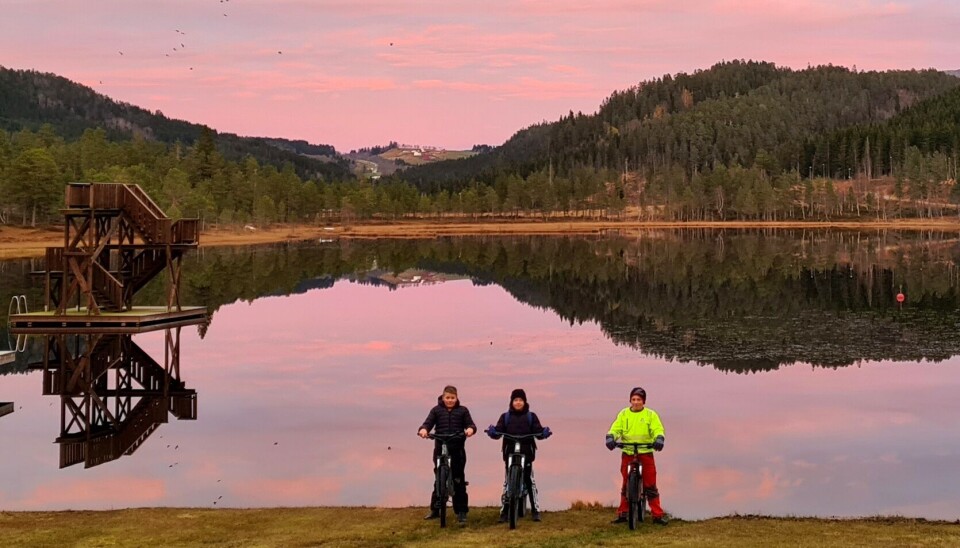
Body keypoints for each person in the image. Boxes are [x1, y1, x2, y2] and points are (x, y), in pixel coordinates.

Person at [484, 388, 552, 522]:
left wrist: (544, 433)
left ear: (525, 401)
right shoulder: (505, 417)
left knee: (529, 480)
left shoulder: (531, 416)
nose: (518, 402)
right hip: (509, 452)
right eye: (516, 400)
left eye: (521, 400)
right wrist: (493, 432)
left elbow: (537, 431)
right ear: (511, 402)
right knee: (507, 482)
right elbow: (498, 431)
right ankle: (504, 512)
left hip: (527, 452)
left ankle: (535, 510)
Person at [605, 386, 668, 525]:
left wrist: (659, 439)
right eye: (633, 399)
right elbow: (616, 428)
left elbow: (658, 428)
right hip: (628, 451)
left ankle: (657, 515)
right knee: (626, 484)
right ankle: (623, 513)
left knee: (650, 485)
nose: (636, 402)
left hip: (645, 451)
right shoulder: (624, 414)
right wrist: (611, 437)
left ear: (643, 401)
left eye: (639, 399)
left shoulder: (650, 415)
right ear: (630, 400)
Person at [418, 385, 476, 525]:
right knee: (439, 478)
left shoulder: (463, 410)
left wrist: (469, 430)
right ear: (443, 398)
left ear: (457, 398)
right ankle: (435, 510)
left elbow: (471, 425)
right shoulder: (436, 410)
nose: (450, 400)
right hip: (440, 447)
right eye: (447, 398)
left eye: (452, 398)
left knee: (458, 480)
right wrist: (424, 430)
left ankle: (461, 512)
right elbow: (427, 424)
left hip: (457, 449)